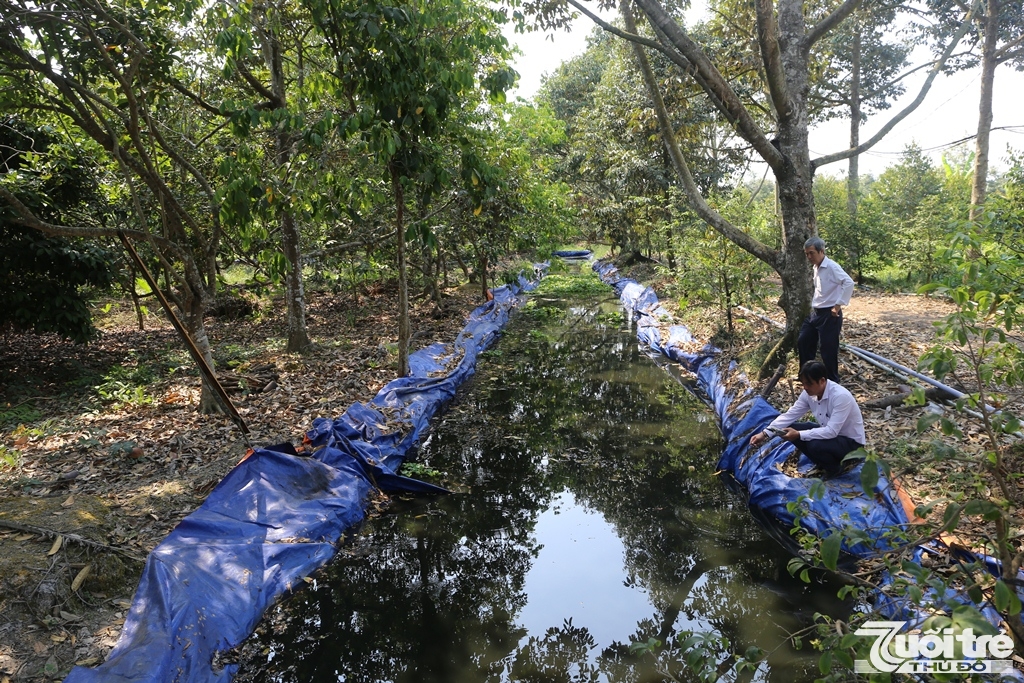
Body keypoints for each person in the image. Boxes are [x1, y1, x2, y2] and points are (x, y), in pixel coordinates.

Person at [749, 361, 866, 476]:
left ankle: (835, 469)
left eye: (809, 384)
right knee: (788, 429)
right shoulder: (808, 394)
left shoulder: (840, 397)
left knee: (814, 445)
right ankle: (822, 463)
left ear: (822, 381)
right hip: (830, 435)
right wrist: (765, 434)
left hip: (851, 444)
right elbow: (790, 415)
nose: (805, 388)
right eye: (803, 383)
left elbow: (831, 431)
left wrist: (799, 434)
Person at [798, 236, 854, 383]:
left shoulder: (832, 267)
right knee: (804, 341)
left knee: (828, 350)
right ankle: (808, 377)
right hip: (815, 312)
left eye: (811, 253)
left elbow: (848, 283)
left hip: (829, 314)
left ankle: (832, 383)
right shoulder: (816, 267)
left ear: (821, 251)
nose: (809, 257)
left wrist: (838, 305)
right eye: (807, 254)